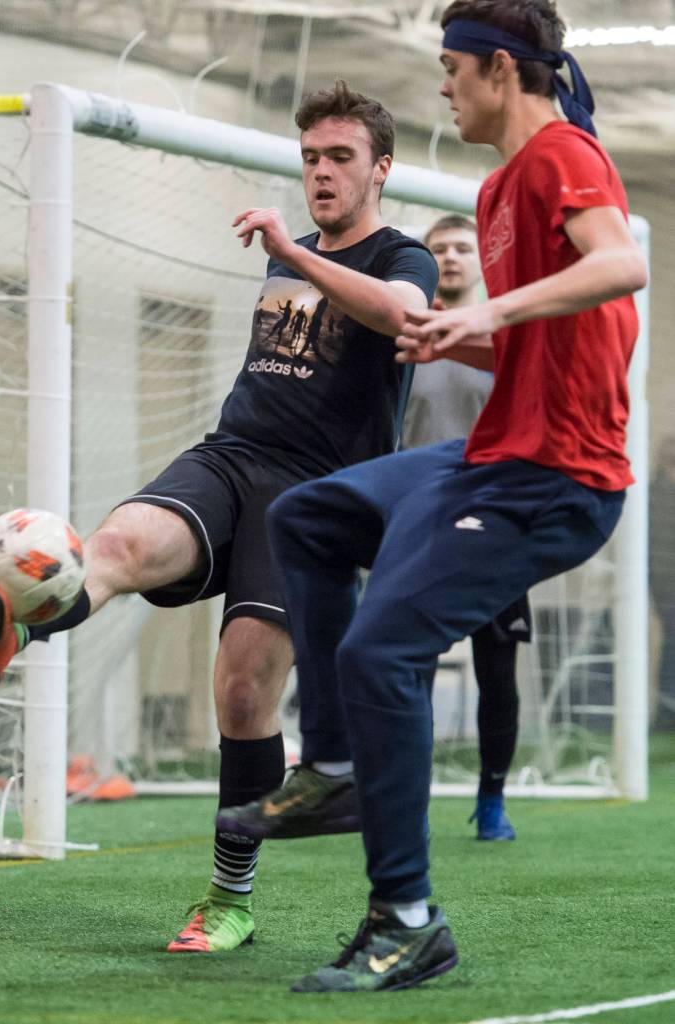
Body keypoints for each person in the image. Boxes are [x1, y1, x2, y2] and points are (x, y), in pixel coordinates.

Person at [218, 0, 646, 994]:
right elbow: (548, 337)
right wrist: (473, 337)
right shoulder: (496, 190)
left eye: (451, 69)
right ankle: (328, 767)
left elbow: (619, 265)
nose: (443, 87)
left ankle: (405, 920)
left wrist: (481, 309)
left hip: (558, 477)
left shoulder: (557, 156)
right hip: (493, 453)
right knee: (308, 514)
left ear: (499, 71)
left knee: (380, 648)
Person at [0, 82, 438, 954]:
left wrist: (298, 250)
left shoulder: (404, 257)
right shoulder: (283, 258)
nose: (321, 172)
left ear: (381, 169)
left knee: (243, 686)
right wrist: (290, 253)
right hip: (229, 455)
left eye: (339, 158)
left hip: (318, 499)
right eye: (311, 158)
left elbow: (404, 319)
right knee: (116, 545)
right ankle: (16, 634)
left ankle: (229, 899)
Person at [401, 213, 530, 841]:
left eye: (461, 248)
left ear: (480, 260)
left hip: (496, 521)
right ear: (426, 261)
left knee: (497, 666)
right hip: (419, 520)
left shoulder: (505, 338)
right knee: (410, 664)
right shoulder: (404, 341)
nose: (450, 258)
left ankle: (492, 798)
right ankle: (410, 797)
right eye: (439, 249)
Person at [649, 435, 675, 730]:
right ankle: (666, 716)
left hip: (662, 588)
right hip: (667, 589)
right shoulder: (656, 495)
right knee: (670, 650)